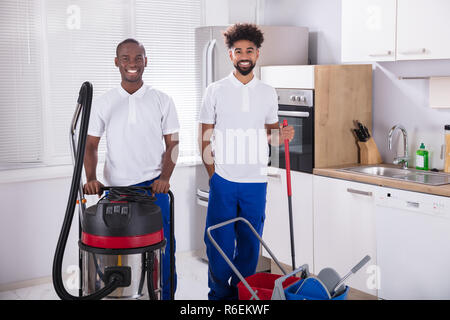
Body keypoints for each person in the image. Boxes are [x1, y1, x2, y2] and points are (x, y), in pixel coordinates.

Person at [199, 23, 295, 300]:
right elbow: (205, 135)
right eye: (238, 50)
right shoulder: (215, 90)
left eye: (249, 50)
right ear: (230, 55)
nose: (244, 55)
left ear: (257, 54)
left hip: (256, 181)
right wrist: (213, 174)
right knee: (219, 246)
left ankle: (242, 296)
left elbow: (271, 135)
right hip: (225, 180)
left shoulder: (267, 92)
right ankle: (218, 297)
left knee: (250, 247)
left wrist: (282, 135)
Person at [83, 38, 179, 300]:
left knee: (162, 249)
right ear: (117, 62)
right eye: (126, 58)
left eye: (138, 58)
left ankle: (164, 296)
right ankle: (122, 295)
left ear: (146, 61)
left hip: (153, 188)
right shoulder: (104, 102)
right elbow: (90, 145)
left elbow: (173, 144)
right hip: (115, 190)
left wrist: (166, 177)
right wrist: (91, 178)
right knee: (117, 253)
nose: (132, 63)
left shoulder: (162, 100)